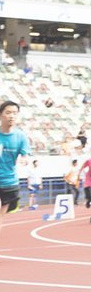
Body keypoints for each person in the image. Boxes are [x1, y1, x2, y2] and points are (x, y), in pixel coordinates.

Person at [0, 100, 33, 233]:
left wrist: (25, 158)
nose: (12, 116)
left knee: (2, 213)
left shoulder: (20, 136)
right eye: (8, 112)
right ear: (1, 114)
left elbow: (26, 154)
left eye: (15, 113)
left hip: (9, 182)